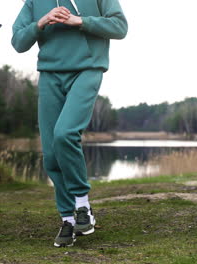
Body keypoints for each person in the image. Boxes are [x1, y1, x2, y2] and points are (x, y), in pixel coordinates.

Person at [11, 0, 127, 247]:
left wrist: (80, 21)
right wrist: (41, 23)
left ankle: (83, 205)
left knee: (65, 134)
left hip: (87, 69)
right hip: (49, 75)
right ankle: (68, 219)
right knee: (51, 154)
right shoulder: (34, 2)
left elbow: (120, 27)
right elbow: (18, 42)